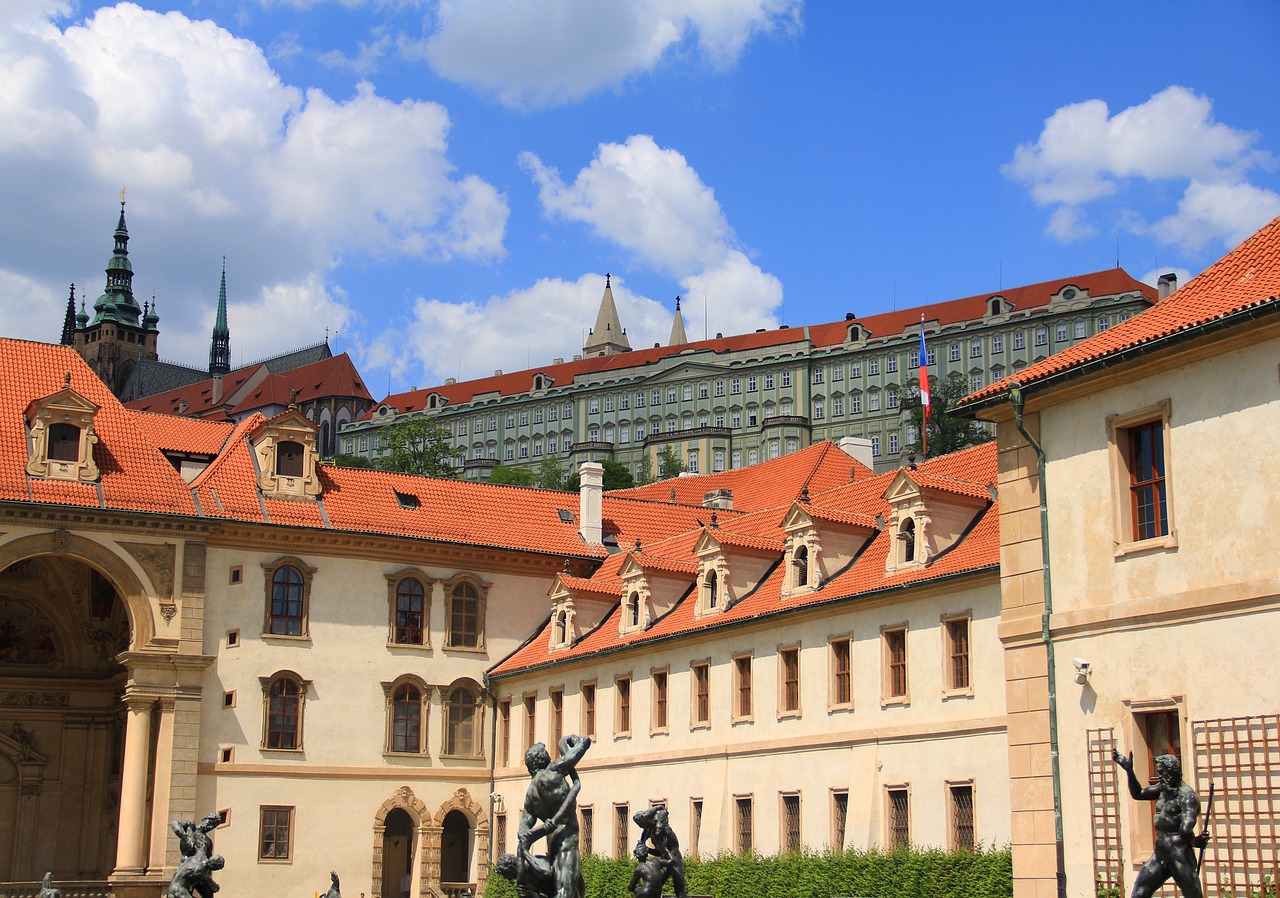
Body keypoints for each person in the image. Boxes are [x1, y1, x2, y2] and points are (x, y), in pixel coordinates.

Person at [1113, 750, 1206, 898]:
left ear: (1172, 772)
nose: (1160, 776)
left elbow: (1186, 828)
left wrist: (1194, 841)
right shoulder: (1163, 788)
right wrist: (1129, 771)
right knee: (1140, 891)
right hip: (1160, 851)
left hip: (1178, 853)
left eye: (1163, 773)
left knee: (1193, 894)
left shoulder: (1187, 796)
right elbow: (1138, 794)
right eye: (1159, 773)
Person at [517, 734, 591, 898]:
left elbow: (522, 833)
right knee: (565, 893)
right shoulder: (552, 772)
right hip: (567, 845)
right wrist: (568, 742)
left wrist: (541, 830)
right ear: (544, 760)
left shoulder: (530, 796)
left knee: (579, 892)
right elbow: (584, 745)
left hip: (553, 846)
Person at [632, 806, 686, 898]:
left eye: (640, 823)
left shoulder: (665, 830)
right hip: (664, 861)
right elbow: (656, 851)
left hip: (675, 861)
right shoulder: (649, 830)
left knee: (680, 892)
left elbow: (671, 851)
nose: (640, 826)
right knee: (654, 886)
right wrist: (644, 848)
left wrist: (663, 848)